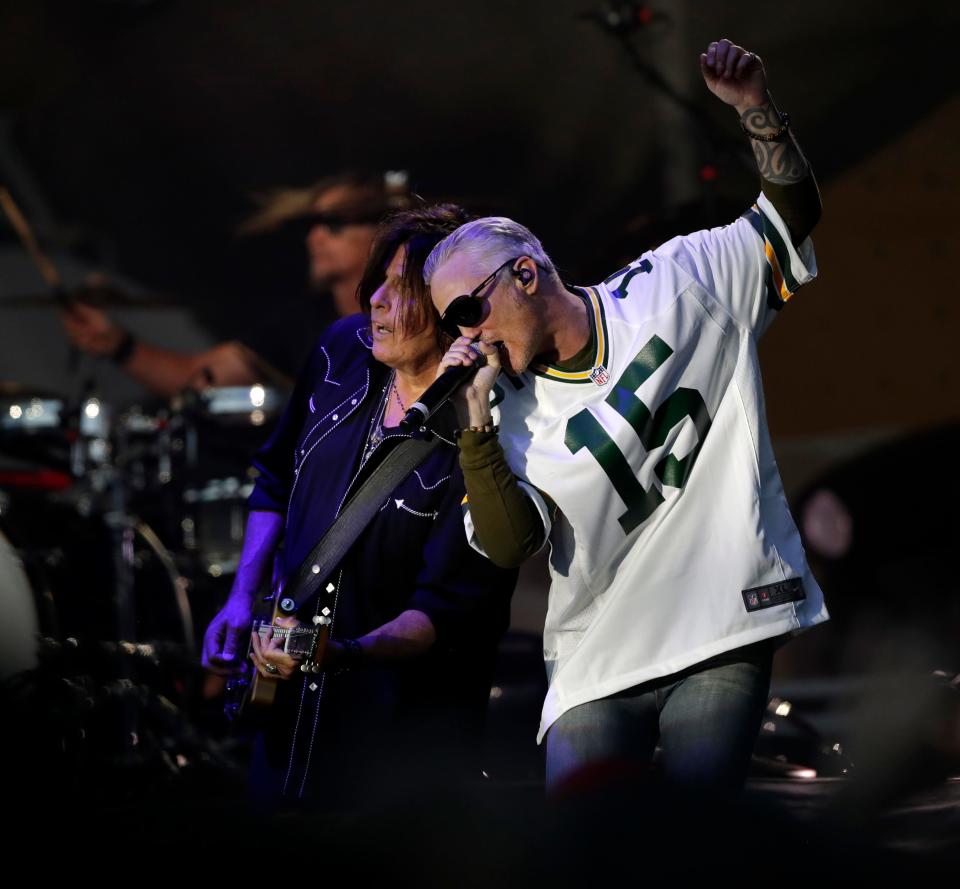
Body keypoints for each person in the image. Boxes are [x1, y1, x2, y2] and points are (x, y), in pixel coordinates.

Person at [424, 39, 828, 797]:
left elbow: (791, 214)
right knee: (581, 857)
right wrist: (474, 419)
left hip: (719, 623)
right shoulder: (503, 408)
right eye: (454, 323)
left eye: (471, 309)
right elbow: (511, 546)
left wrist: (755, 111)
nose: (468, 332)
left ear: (525, 271)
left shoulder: (679, 281)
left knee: (691, 844)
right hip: (595, 661)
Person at [201, 204, 517, 807]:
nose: (375, 300)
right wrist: (243, 599)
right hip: (285, 716)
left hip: (398, 751)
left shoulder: (483, 433)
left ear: (454, 312)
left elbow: (447, 612)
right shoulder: (340, 352)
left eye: (402, 290)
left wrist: (339, 654)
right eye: (378, 282)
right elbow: (273, 479)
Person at [61, 173, 407, 397]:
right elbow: (196, 378)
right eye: (311, 224)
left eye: (332, 224)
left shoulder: (421, 316)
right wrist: (118, 344)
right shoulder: (300, 324)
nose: (314, 236)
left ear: (381, 231)